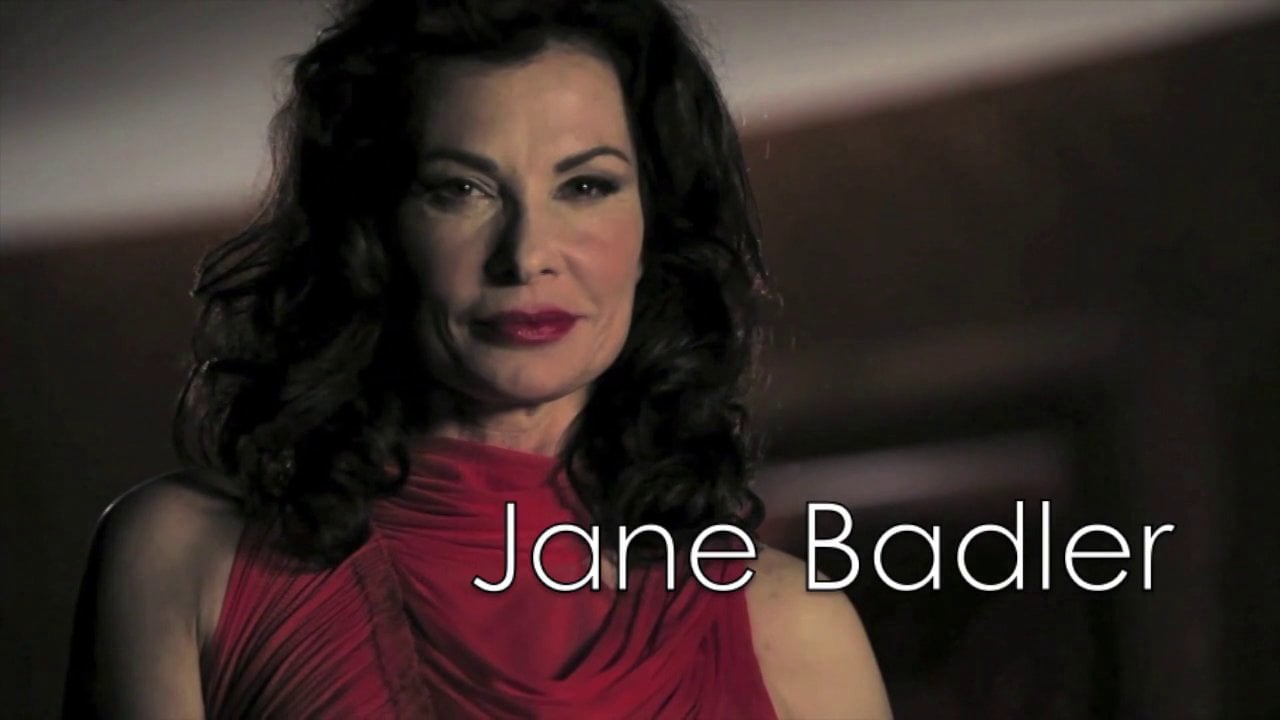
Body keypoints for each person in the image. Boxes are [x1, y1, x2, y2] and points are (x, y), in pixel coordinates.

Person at [64, 0, 891, 717]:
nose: (527, 255)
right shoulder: (182, 558)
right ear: (374, 228)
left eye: (586, 187)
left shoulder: (792, 630)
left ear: (656, 229)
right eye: (460, 189)